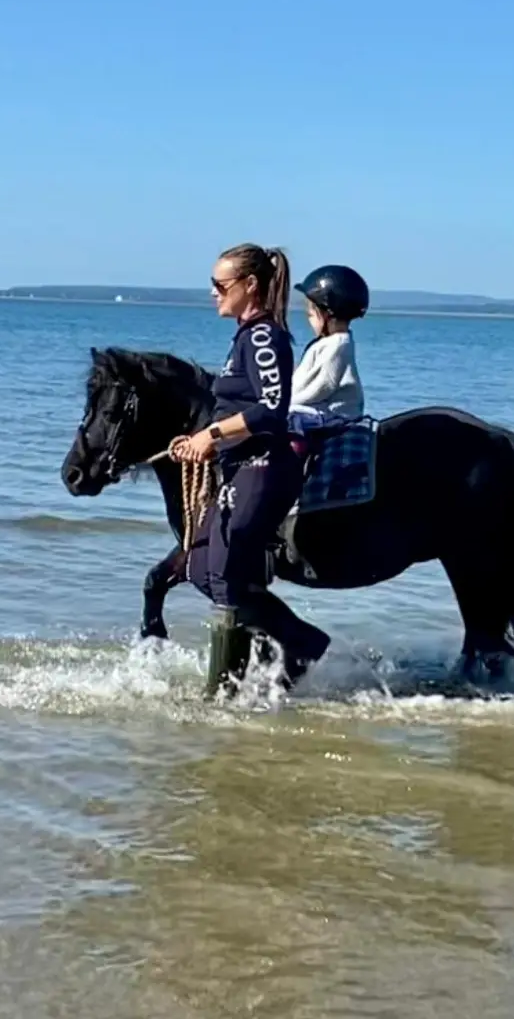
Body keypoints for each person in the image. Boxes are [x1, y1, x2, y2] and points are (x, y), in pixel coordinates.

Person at [169, 243, 331, 696]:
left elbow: (271, 408)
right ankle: (299, 642)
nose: (213, 293)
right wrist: (203, 444)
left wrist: (211, 435)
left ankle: (222, 693)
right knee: (199, 567)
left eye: (220, 285)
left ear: (250, 285)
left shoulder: (263, 337)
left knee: (224, 576)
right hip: (237, 465)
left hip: (263, 467)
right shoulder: (244, 337)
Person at [288, 264, 370, 434]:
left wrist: (281, 400)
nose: (308, 320)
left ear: (327, 313)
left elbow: (315, 389)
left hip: (334, 417)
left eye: (311, 315)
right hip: (326, 414)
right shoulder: (331, 342)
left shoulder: (337, 345)